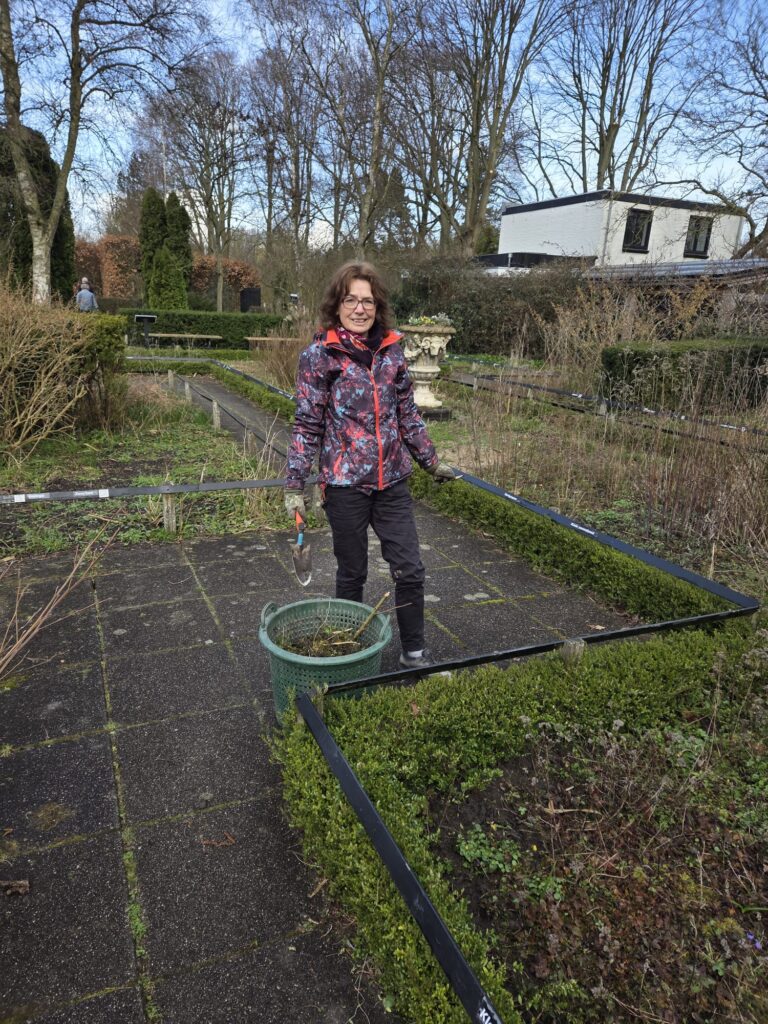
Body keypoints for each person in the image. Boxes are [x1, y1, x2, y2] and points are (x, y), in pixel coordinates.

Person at [284, 261, 455, 670]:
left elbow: (408, 413)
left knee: (410, 568)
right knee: (352, 572)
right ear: (337, 305)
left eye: (368, 301)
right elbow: (307, 423)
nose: (360, 309)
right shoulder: (319, 356)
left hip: (392, 480)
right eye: (351, 300)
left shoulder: (391, 352)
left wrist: (431, 461)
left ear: (377, 307)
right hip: (344, 485)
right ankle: (348, 655)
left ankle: (414, 651)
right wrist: (295, 483)